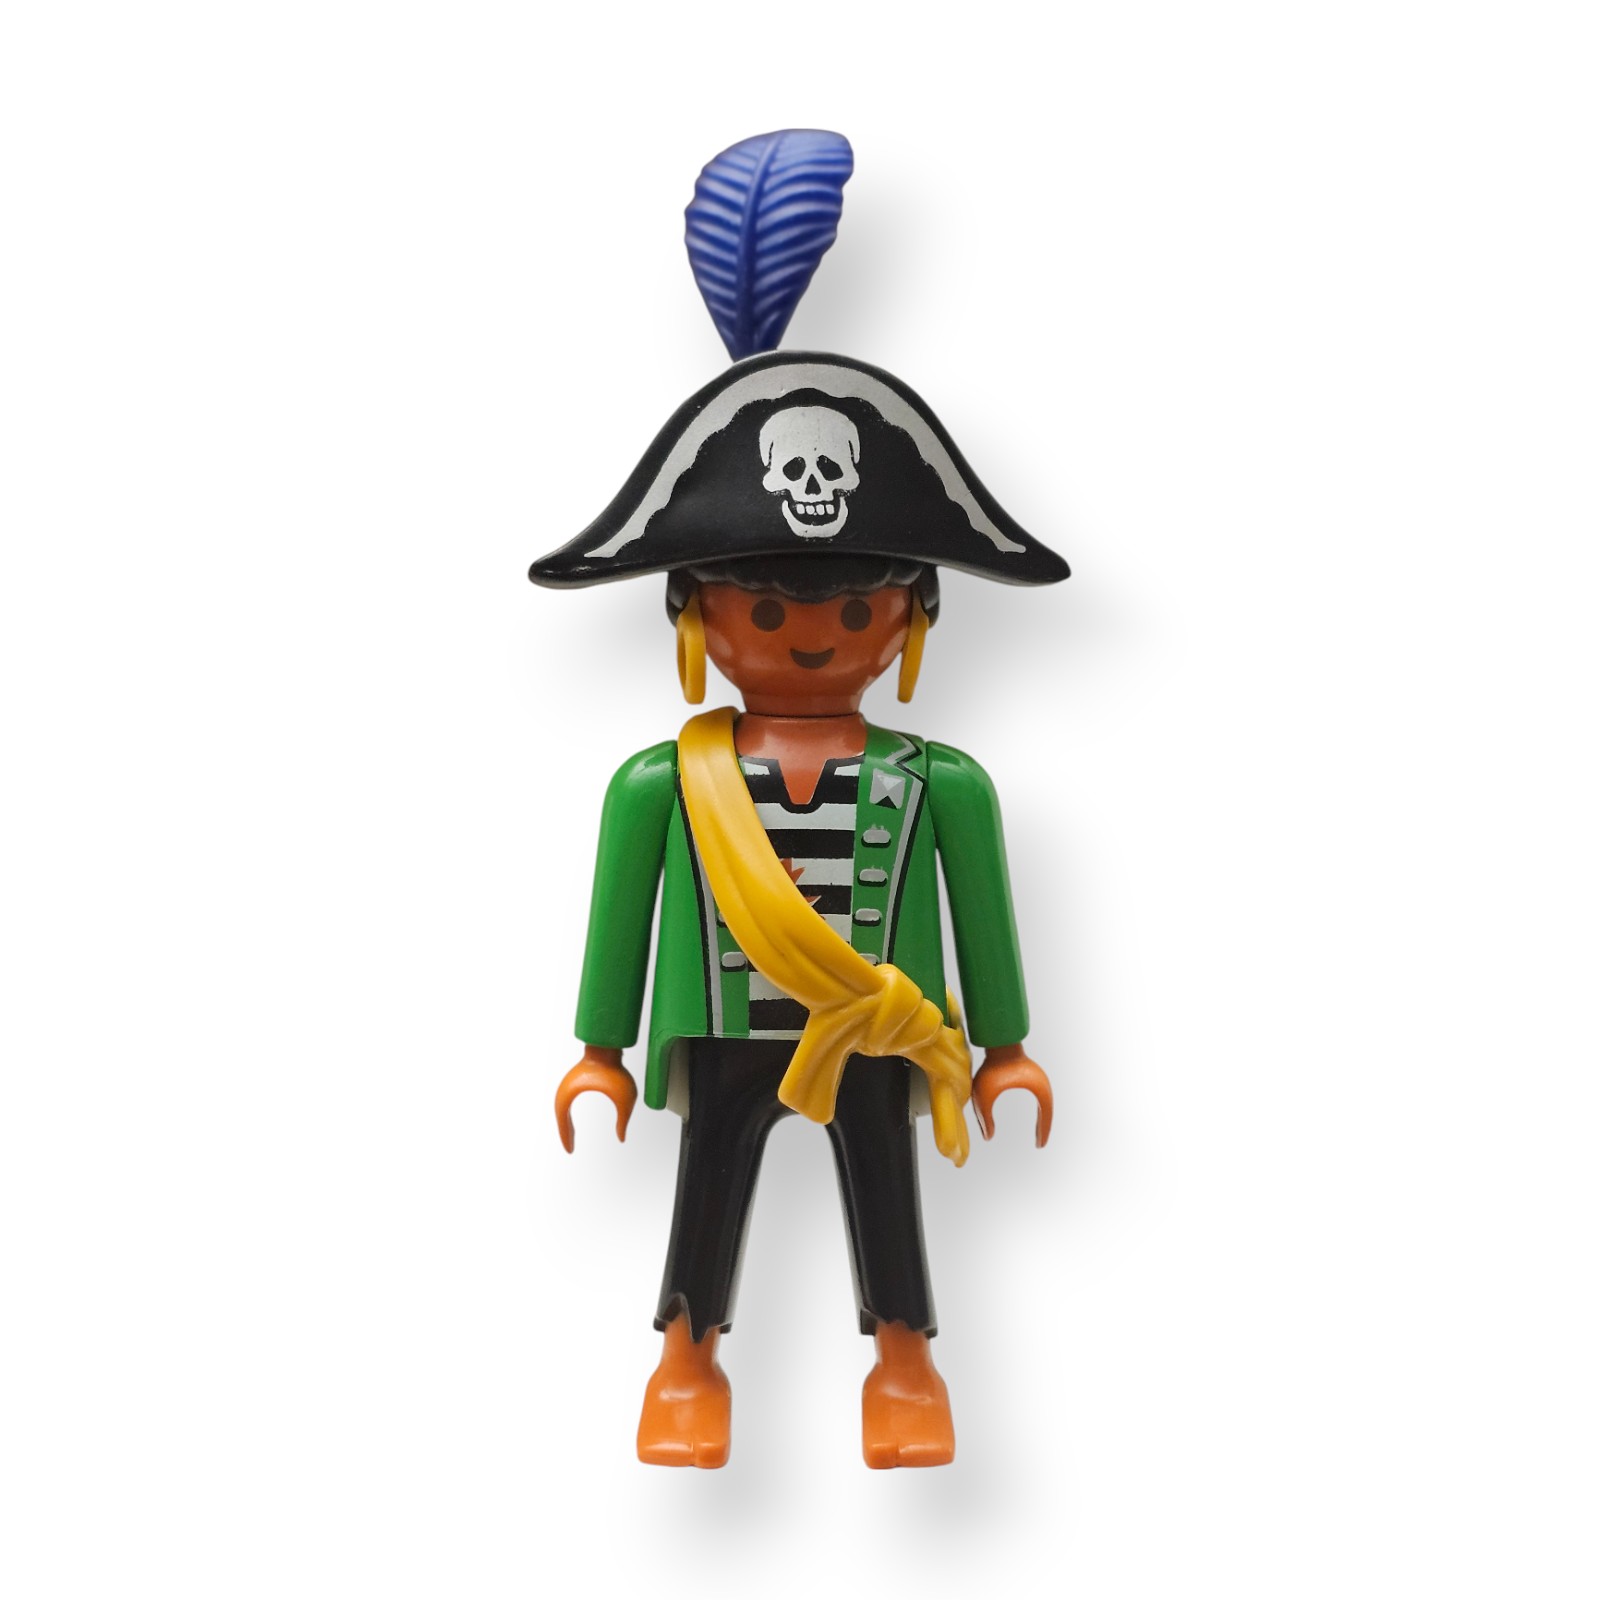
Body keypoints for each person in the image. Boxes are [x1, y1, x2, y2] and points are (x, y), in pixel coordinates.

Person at [531, 351, 1068, 1467]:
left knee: (887, 1191)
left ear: (910, 623)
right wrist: (599, 1051)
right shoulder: (661, 785)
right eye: (766, 608)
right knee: (706, 1190)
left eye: (859, 606)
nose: (811, 634)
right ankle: (686, 1364)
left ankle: (906, 1366)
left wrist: (1006, 1046)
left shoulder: (940, 782)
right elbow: (620, 916)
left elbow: (981, 911)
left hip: (877, 1029)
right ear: (697, 622)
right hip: (726, 1033)